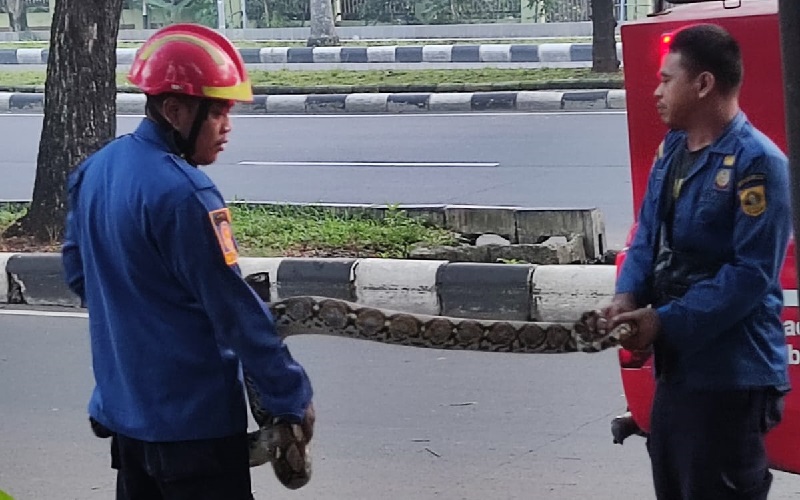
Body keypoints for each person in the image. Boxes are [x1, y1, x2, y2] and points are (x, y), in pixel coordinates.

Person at [62, 23, 314, 500]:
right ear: (175, 111)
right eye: (217, 112)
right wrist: (290, 396)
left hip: (127, 422)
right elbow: (235, 312)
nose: (227, 127)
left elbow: (79, 275)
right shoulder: (186, 194)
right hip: (194, 432)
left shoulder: (94, 170)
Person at [601, 24, 791, 500]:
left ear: (703, 84)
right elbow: (648, 235)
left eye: (668, 79)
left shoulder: (758, 164)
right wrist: (627, 295)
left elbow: (750, 276)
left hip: (732, 377)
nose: (657, 90)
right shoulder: (673, 153)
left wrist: (663, 322)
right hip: (680, 372)